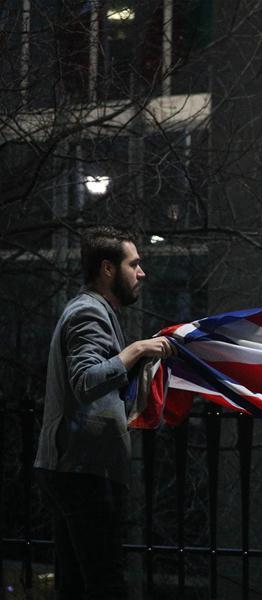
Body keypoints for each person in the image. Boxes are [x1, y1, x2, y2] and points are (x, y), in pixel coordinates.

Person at [34, 226, 175, 599]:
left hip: (75, 468)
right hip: (83, 471)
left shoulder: (94, 311)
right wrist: (138, 349)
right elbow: (85, 380)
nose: (141, 272)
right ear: (108, 269)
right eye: (135, 264)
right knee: (104, 582)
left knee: (77, 584)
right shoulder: (88, 313)